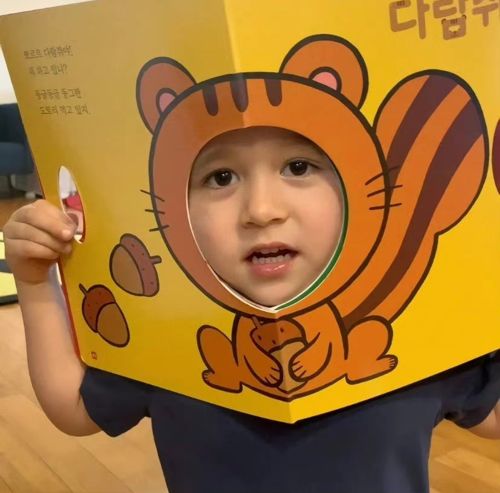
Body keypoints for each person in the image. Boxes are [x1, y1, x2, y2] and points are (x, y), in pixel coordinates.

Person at [4, 126, 500, 493]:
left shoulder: (406, 330)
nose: (262, 210)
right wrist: (33, 281)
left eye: (299, 167)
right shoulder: (173, 337)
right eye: (220, 177)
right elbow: (74, 408)